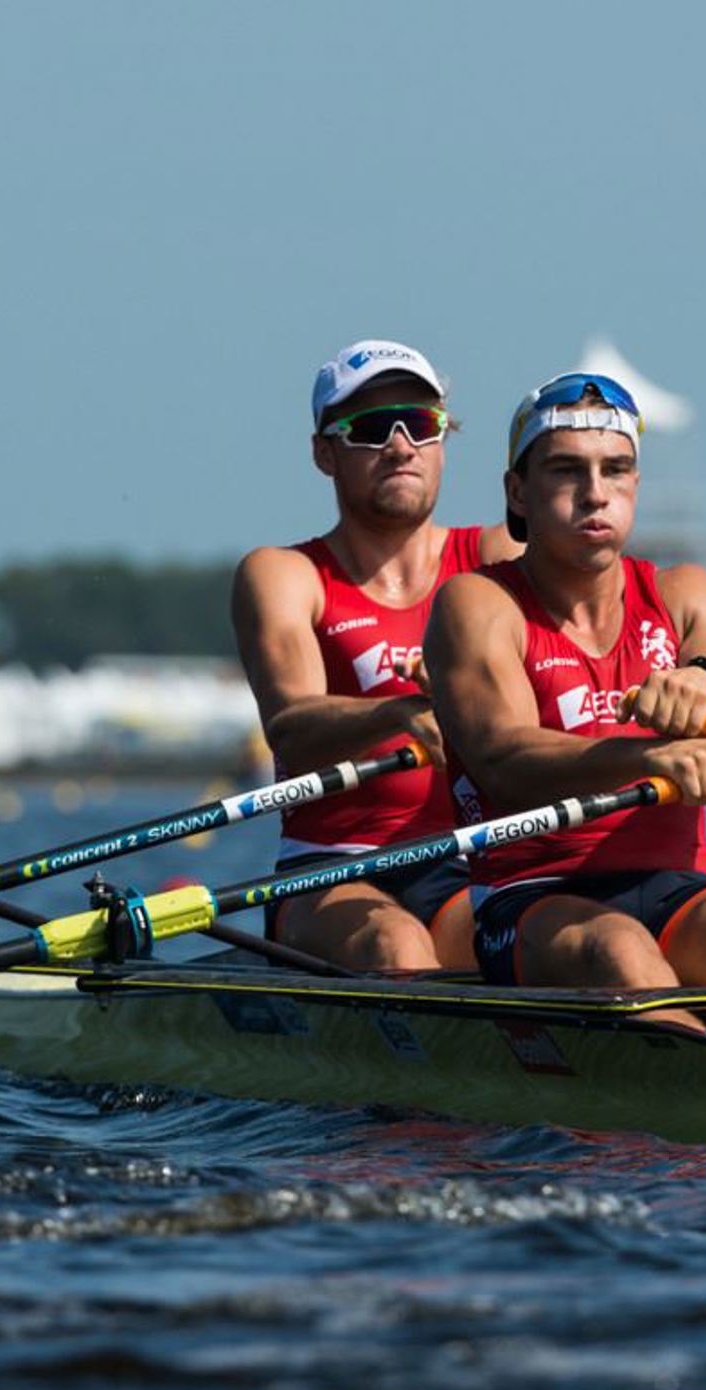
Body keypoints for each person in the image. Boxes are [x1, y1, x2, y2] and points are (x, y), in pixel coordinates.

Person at [423, 371, 706, 1027]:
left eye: (616, 470)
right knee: (621, 951)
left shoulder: (686, 592)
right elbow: (502, 761)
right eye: (567, 471)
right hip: (530, 896)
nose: (595, 493)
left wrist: (705, 681)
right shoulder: (478, 602)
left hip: (679, 888)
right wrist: (649, 758)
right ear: (518, 492)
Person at [231, 340, 521, 970]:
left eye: (420, 424)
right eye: (370, 428)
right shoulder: (286, 575)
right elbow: (293, 729)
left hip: (466, 860)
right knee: (397, 944)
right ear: (324, 454)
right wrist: (398, 713)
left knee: (523, 940)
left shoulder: (499, 559)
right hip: (330, 869)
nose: (399, 446)